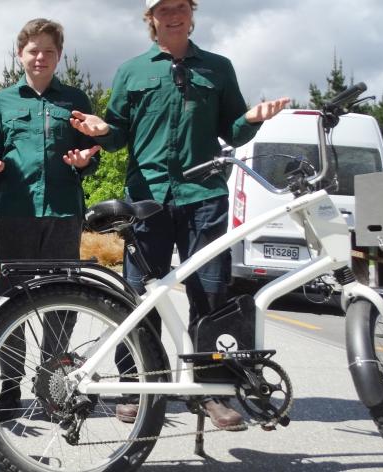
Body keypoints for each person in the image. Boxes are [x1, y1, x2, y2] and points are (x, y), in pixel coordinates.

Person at [70, 0, 290, 428]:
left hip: (203, 195)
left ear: (192, 13)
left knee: (210, 295)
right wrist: (102, 131)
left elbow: (232, 130)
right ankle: (138, 384)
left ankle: (209, 390)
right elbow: (116, 136)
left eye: (180, 6)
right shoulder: (131, 71)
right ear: (150, 18)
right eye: (162, 8)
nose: (172, 14)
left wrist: (252, 118)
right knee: (139, 296)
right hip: (146, 199)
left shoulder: (219, 67)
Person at [0, 18, 100, 421]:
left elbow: (89, 154)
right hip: (15, 214)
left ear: (59, 55)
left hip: (64, 214)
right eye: (33, 50)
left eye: (49, 50)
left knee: (61, 303)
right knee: (11, 301)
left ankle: (52, 386)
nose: (41, 57)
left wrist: (84, 162)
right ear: (20, 54)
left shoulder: (75, 99)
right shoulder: (2, 101)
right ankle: (10, 387)